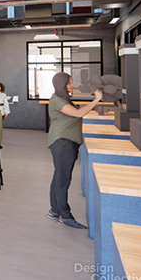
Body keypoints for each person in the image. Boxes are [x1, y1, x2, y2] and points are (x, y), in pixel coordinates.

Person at [46, 72, 103, 229]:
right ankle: (65, 215)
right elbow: (78, 113)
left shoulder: (63, 99)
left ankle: (55, 210)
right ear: (61, 84)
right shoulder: (57, 100)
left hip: (64, 143)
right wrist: (96, 100)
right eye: (69, 83)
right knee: (63, 180)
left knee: (59, 176)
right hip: (62, 143)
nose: (72, 85)